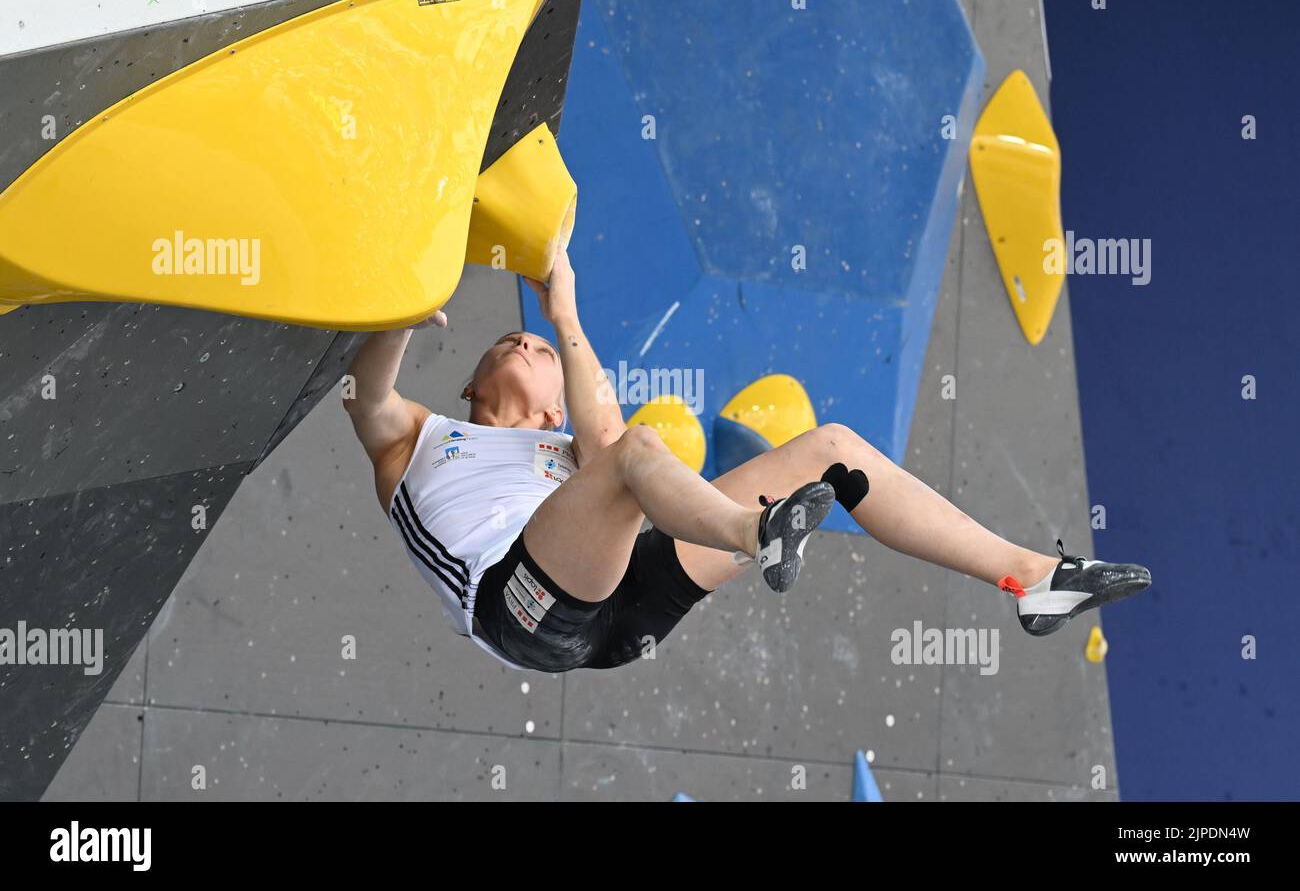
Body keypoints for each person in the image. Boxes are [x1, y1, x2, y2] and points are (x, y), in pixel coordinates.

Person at [342, 248, 1151, 673]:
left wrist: (564, 308)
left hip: (617, 589)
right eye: (511, 342)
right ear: (472, 382)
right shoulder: (427, 440)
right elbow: (367, 400)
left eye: (544, 349)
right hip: (519, 607)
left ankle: (1030, 578)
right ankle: (755, 530)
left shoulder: (572, 446)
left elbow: (608, 443)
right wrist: (403, 312)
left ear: (558, 404)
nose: (526, 342)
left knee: (832, 450)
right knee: (636, 458)